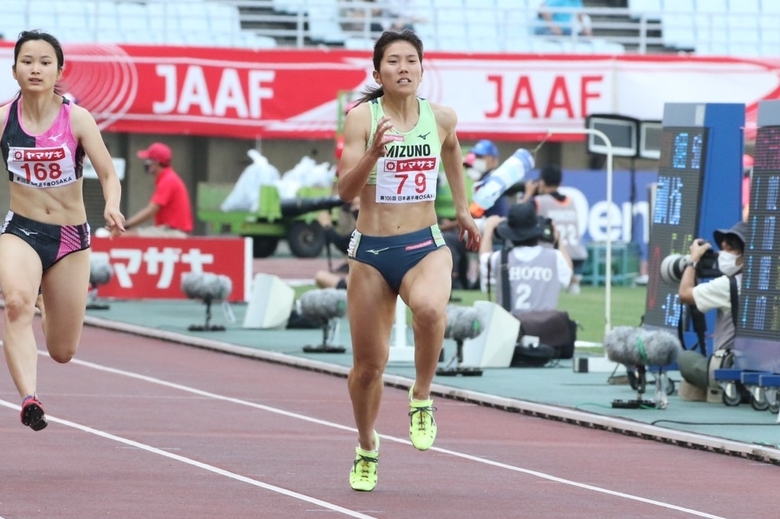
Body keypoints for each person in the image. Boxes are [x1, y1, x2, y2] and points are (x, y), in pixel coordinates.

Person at [337, 30, 480, 491]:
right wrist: (375, 154)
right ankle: (366, 446)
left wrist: (461, 207)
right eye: (393, 61)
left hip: (424, 243)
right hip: (373, 251)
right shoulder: (362, 119)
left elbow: (453, 151)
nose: (403, 67)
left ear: (422, 69)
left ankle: (421, 396)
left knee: (432, 309)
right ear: (376, 72)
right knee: (367, 369)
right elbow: (343, 192)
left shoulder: (440, 117)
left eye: (411, 60)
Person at [0, 30, 125, 431]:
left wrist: (111, 205)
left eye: (45, 62)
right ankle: (29, 399)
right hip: (21, 231)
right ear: (15, 69)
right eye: (27, 61)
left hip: (70, 238)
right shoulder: (4, 118)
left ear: (59, 70)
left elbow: (108, 173)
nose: (35, 69)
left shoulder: (77, 118)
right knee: (16, 301)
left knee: (62, 350)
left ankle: (44, 303)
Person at [677, 221, 747, 399]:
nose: (722, 255)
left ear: (745, 255)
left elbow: (684, 294)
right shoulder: (758, 283)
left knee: (685, 358)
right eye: (722, 249)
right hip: (759, 367)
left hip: (729, 368)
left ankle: (722, 387)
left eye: (729, 250)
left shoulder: (728, 285)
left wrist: (692, 262)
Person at [478, 203, 572, 317]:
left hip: (510, 328)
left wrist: (489, 229)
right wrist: (558, 239)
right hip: (546, 328)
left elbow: (484, 259)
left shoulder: (500, 258)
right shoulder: (555, 257)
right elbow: (568, 272)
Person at [441, 139, 506, 290]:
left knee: (449, 239)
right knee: (458, 236)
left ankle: (455, 281)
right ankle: (464, 281)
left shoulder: (491, 181)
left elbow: (474, 214)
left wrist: (448, 226)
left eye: (481, 157)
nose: (477, 160)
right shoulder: (485, 180)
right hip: (485, 225)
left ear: (492, 160)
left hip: (493, 226)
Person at [523, 164, 588, 294]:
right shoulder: (571, 200)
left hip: (554, 256)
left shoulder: (539, 201)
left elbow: (518, 215)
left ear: (541, 182)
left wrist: (528, 193)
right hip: (577, 255)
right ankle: (574, 283)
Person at [123, 142, 193, 237]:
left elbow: (151, 210)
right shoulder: (168, 177)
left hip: (173, 233)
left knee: (123, 236)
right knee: (128, 234)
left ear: (156, 162)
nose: (146, 164)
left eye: (148, 160)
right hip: (170, 231)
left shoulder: (168, 180)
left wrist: (125, 225)